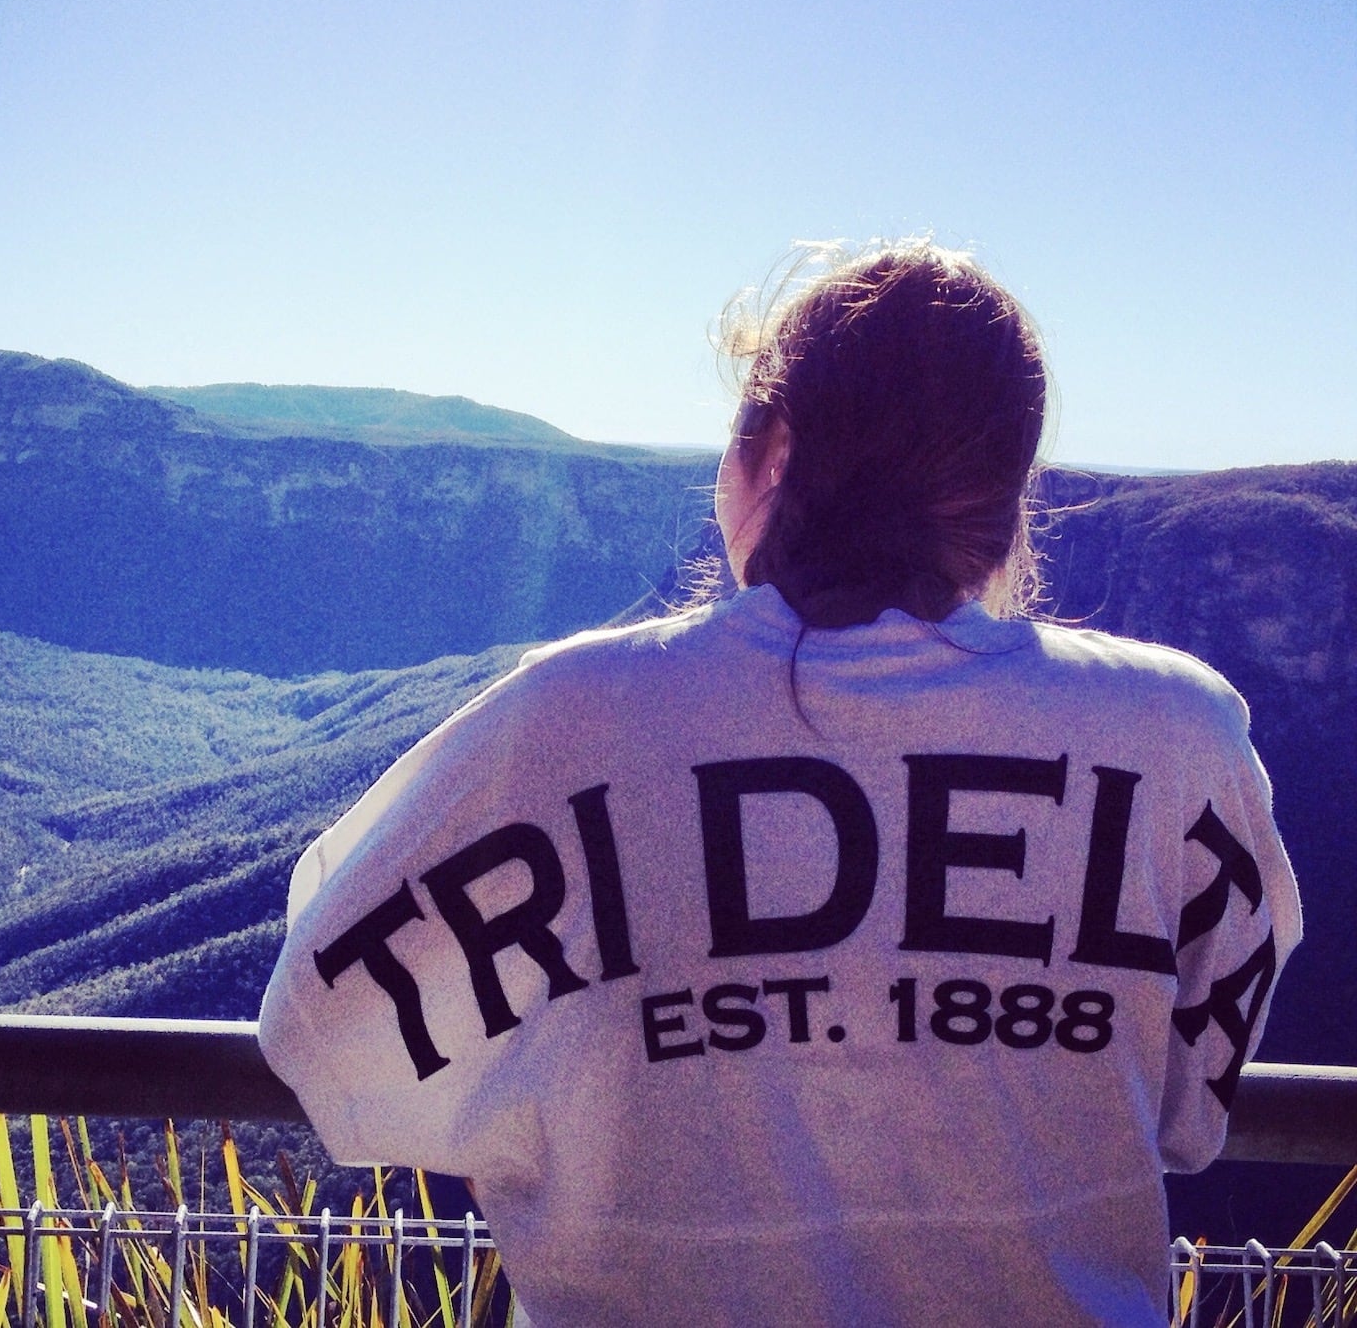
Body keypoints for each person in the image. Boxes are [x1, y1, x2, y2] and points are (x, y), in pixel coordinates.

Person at [255, 239, 1303, 1326]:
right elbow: (1186, 1114)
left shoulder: (568, 721)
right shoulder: (1177, 737)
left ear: (769, 450)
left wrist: (551, 1099)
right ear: (1002, 498)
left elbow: (317, 1035)